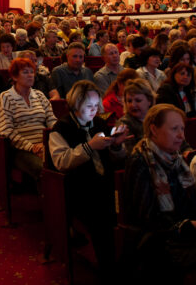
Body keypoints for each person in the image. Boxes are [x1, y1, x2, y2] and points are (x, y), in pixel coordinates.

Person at [123, 104, 196, 281]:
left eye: (182, 129)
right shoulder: (140, 162)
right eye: (174, 129)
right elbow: (150, 221)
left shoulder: (177, 160)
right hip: (160, 245)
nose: (181, 136)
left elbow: (191, 207)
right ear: (154, 129)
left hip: (187, 234)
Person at [48, 81, 130, 274]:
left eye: (96, 105)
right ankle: (109, 270)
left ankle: (129, 262)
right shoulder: (61, 128)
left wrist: (116, 146)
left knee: (131, 208)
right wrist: (89, 147)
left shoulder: (99, 124)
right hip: (79, 189)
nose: (94, 110)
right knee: (103, 219)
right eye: (89, 106)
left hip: (105, 184)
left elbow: (114, 160)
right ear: (76, 104)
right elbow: (61, 162)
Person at [0, 58, 58, 180]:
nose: (30, 75)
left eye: (32, 72)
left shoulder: (39, 95)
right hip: (21, 149)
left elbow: (52, 120)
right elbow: (6, 130)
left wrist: (48, 142)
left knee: (66, 162)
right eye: (25, 72)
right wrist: (31, 147)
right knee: (43, 168)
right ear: (15, 77)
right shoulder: (6, 97)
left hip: (45, 145)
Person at [117, 79, 155, 153]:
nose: (133, 105)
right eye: (129, 101)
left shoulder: (158, 118)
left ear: (149, 101)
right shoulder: (124, 124)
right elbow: (130, 154)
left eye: (138, 100)